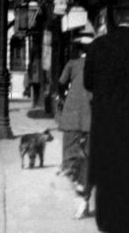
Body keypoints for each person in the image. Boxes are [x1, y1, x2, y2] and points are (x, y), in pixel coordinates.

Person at [84, 7, 129, 233]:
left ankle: (108, 222)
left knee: (107, 170)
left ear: (114, 19)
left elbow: (88, 83)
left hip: (106, 121)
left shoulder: (97, 47)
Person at [58, 31, 92, 219]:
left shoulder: (72, 64)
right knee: (89, 158)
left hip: (72, 117)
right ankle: (85, 198)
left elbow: (61, 83)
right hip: (93, 118)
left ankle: (78, 191)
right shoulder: (101, 65)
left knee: (70, 157)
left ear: (78, 49)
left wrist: (63, 95)